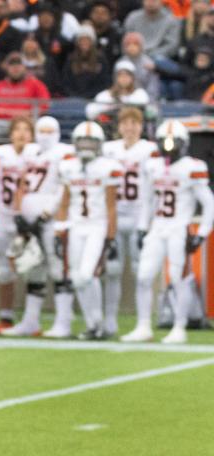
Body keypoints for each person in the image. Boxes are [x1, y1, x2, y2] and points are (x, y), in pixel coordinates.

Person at [122, 120, 214, 344]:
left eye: (173, 142)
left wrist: (201, 232)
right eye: (164, 142)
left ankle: (179, 326)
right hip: (157, 227)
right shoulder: (153, 166)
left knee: (178, 278)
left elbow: (210, 202)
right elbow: (148, 200)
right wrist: (143, 228)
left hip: (179, 228)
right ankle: (143, 325)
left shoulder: (193, 167)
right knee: (144, 276)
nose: (169, 147)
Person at [5, 116, 76, 338]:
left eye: (49, 131)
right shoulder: (29, 152)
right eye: (41, 130)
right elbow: (21, 183)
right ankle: (30, 321)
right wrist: (18, 213)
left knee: (58, 269)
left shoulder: (64, 152)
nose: (45, 135)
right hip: (29, 219)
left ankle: (63, 322)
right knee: (34, 270)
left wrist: (47, 214)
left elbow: (65, 187)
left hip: (51, 220)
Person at [54, 121, 121, 340]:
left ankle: (98, 322)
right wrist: (58, 230)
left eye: (91, 143)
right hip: (75, 226)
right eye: (82, 142)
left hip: (97, 226)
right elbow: (64, 202)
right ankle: (92, 324)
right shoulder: (68, 166)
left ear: (99, 145)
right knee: (76, 277)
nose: (86, 147)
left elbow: (111, 206)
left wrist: (111, 237)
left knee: (86, 275)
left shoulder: (107, 167)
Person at [101, 107, 156, 338]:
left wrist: (146, 223)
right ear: (119, 126)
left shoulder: (149, 150)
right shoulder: (108, 150)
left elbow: (153, 190)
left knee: (140, 272)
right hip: (115, 216)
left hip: (138, 216)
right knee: (112, 271)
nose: (129, 127)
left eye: (134, 123)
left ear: (141, 126)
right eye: (125, 123)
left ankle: (144, 322)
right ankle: (110, 321)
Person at [0, 116, 38, 334]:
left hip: (28, 221)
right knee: (5, 270)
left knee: (32, 268)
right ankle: (6, 317)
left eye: (26, 129)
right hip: (2, 217)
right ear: (10, 134)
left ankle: (31, 319)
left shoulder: (38, 155)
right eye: (17, 129)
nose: (21, 134)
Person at [85, 59, 150, 125]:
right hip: (110, 130)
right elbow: (90, 112)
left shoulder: (140, 94)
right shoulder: (105, 95)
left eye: (127, 75)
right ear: (116, 78)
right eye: (120, 75)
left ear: (132, 78)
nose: (124, 78)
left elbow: (147, 111)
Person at [59, 24, 111, 98]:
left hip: (95, 98)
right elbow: (65, 81)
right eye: (82, 40)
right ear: (77, 42)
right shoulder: (71, 59)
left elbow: (105, 81)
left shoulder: (101, 59)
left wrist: (91, 95)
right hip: (74, 98)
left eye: (87, 40)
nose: (84, 42)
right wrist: (74, 95)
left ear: (92, 42)